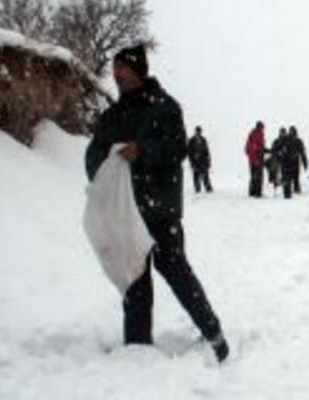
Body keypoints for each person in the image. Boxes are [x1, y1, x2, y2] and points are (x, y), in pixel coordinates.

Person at [84, 44, 229, 362]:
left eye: (122, 68)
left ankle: (214, 334)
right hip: (127, 211)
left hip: (160, 208)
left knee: (175, 269)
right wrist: (101, 172)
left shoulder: (165, 107)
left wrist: (143, 150)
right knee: (134, 276)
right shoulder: (113, 116)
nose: (116, 74)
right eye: (114, 69)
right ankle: (137, 348)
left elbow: (178, 149)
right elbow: (94, 152)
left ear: (137, 70)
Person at [187, 126, 213, 193]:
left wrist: (208, 160)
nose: (198, 133)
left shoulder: (203, 139)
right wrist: (192, 160)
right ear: (195, 132)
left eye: (199, 131)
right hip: (195, 161)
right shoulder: (191, 140)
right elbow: (189, 152)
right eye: (197, 131)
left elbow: (206, 150)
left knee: (205, 175)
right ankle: (197, 189)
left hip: (203, 160)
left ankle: (208, 188)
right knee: (196, 175)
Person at [245, 121, 266, 198]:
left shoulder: (259, 134)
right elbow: (252, 149)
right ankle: (257, 193)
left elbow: (260, 147)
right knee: (257, 177)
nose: (262, 129)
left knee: (255, 176)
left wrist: (266, 150)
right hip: (256, 160)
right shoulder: (254, 135)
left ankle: (253, 192)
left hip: (258, 159)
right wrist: (255, 160)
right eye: (261, 127)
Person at [285, 126, 308, 195]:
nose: (292, 133)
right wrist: (305, 163)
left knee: (295, 177)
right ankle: (291, 190)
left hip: (294, 161)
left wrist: (305, 163)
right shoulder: (287, 140)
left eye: (293, 132)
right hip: (289, 161)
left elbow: (302, 152)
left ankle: (295, 189)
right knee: (291, 177)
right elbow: (302, 153)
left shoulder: (298, 141)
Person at [267, 127, 287, 194]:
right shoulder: (276, 141)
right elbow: (273, 150)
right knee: (273, 169)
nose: (282, 134)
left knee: (281, 173)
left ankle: (279, 183)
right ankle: (274, 182)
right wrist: (278, 152)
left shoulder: (287, 141)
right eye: (281, 133)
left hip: (285, 160)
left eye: (283, 133)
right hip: (277, 159)